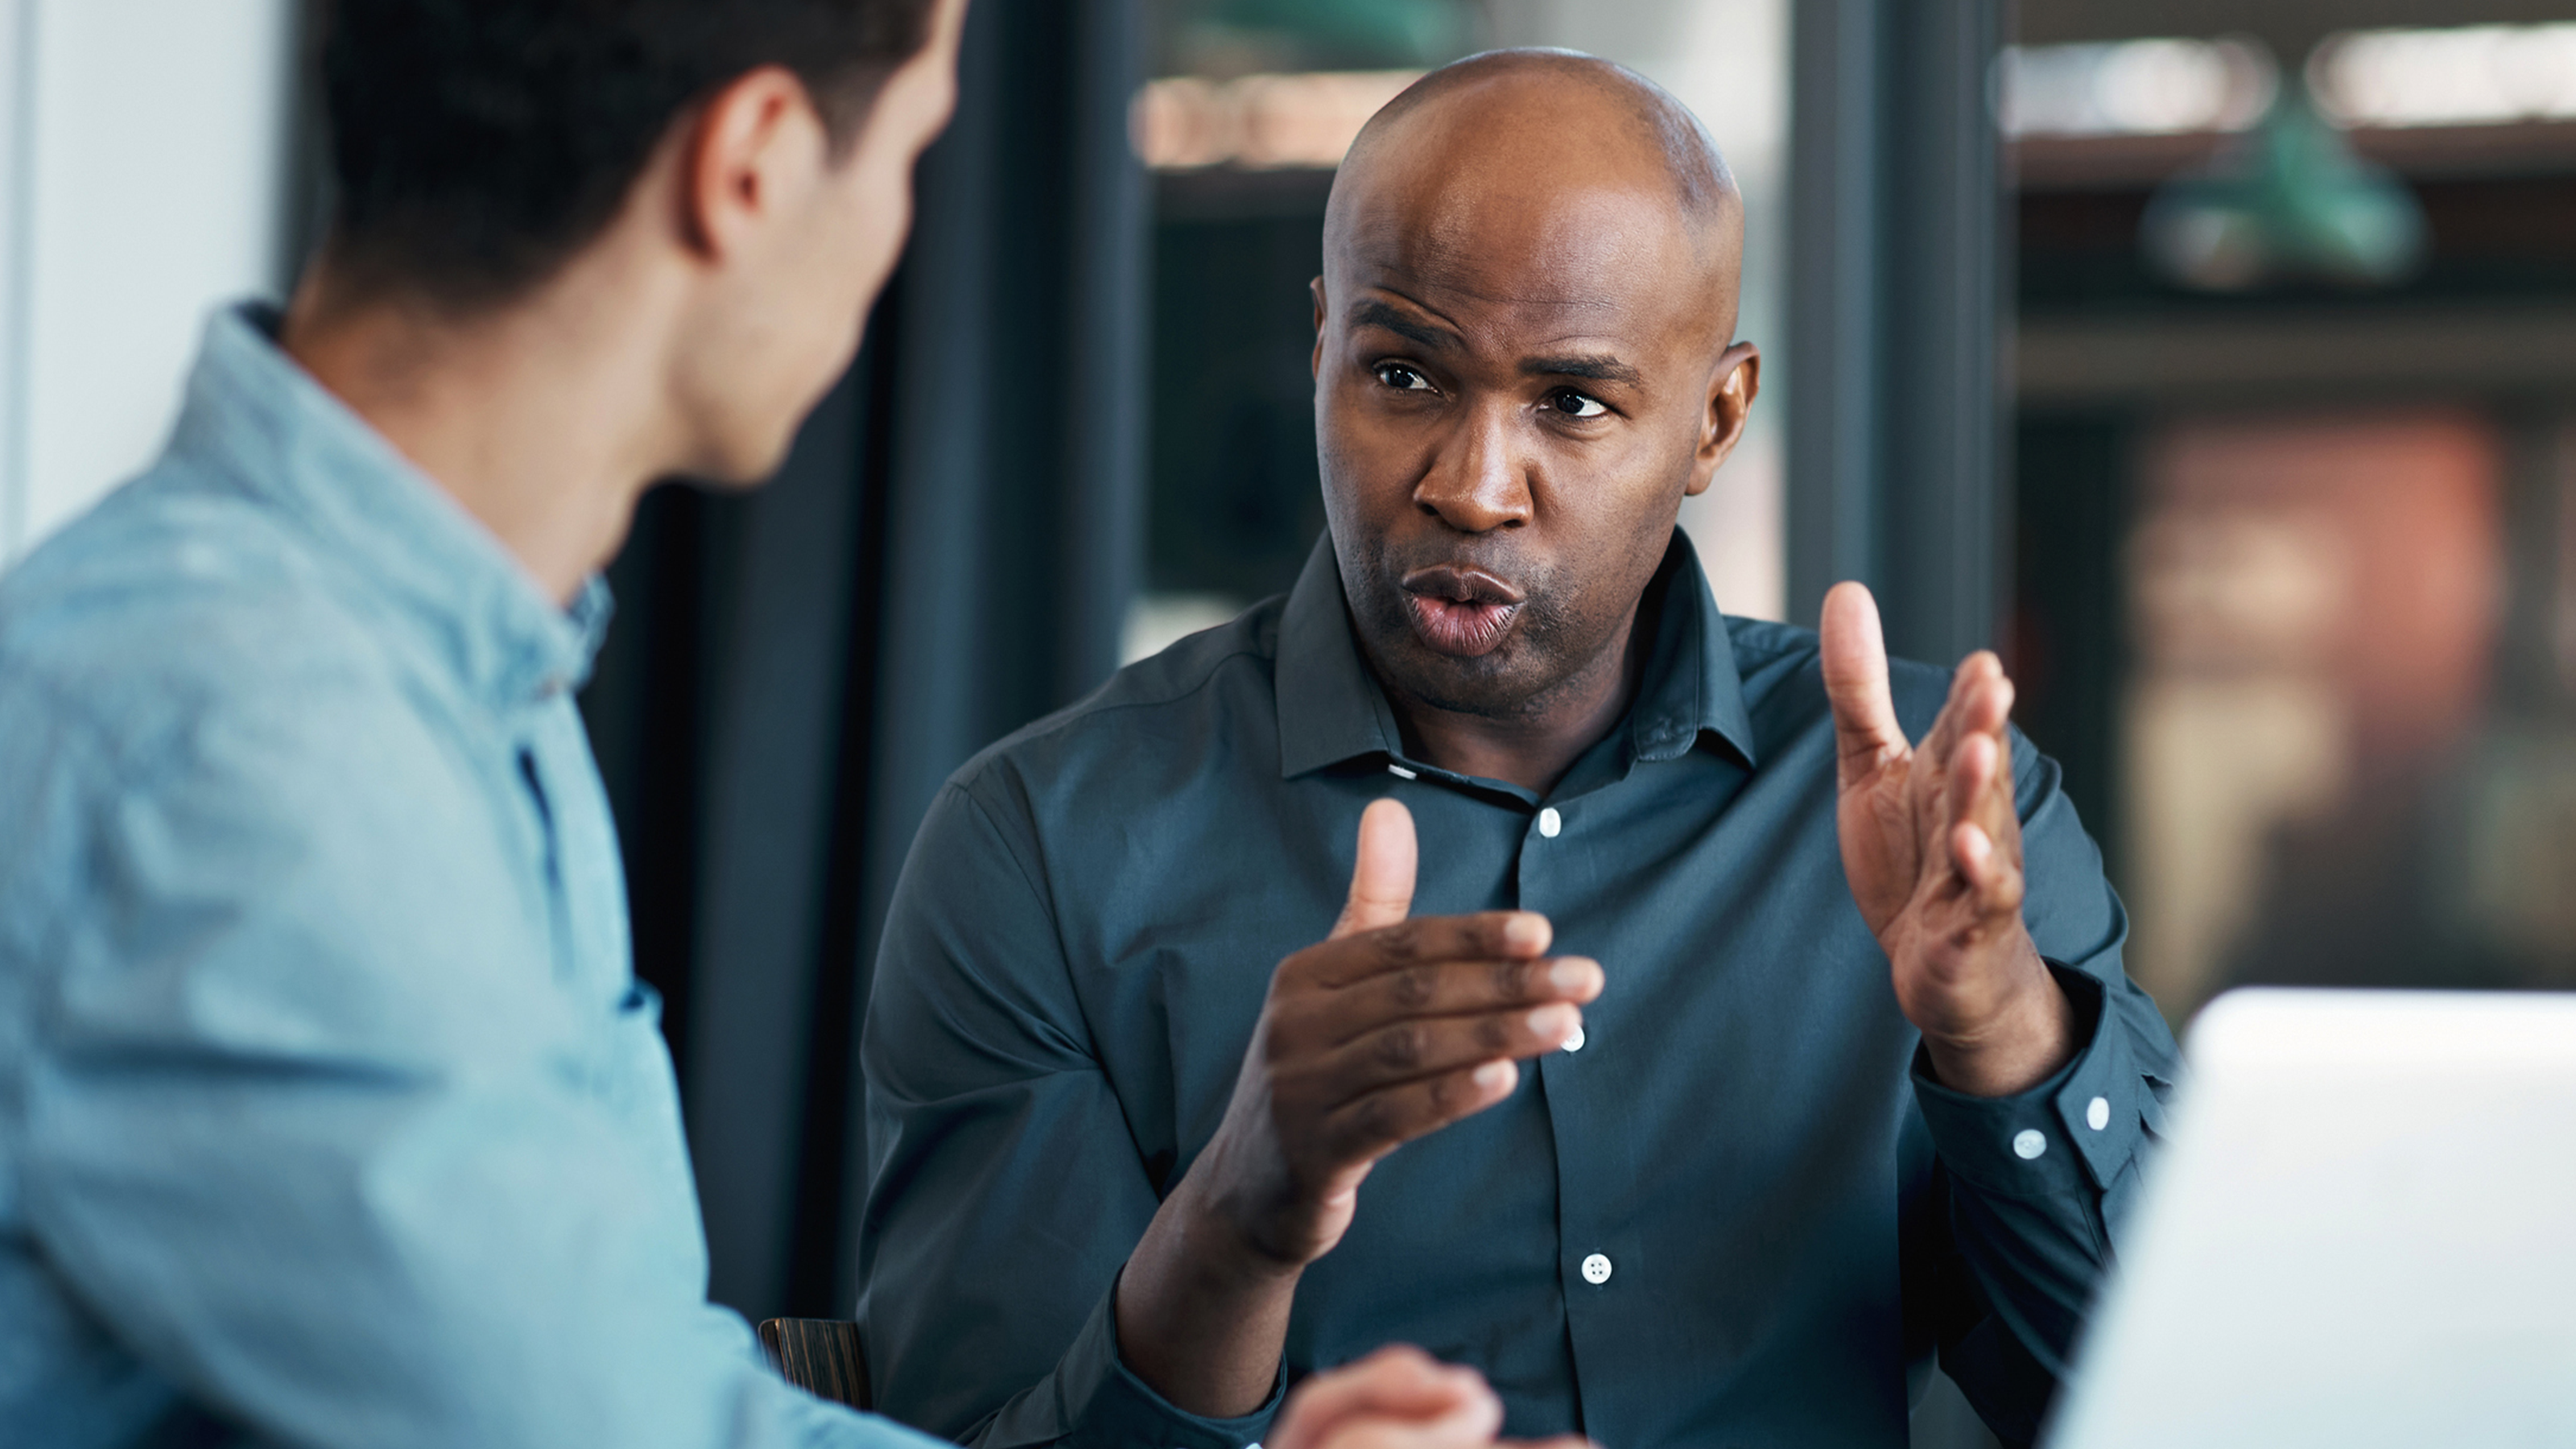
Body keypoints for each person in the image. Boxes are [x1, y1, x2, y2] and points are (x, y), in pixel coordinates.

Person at [0, 6, 1567, 1448]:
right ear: (749, 169)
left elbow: (626, 1381)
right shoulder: (238, 743)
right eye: (903, 151)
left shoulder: (446, 674)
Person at [857, 49, 2181, 1449]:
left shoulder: (1942, 817)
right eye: (1406, 373)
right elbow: (978, 1432)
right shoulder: (1046, 847)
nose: (1472, 486)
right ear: (1322, 350)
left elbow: (2158, 1405)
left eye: (1575, 403)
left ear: (1714, 421)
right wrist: (1239, 1214)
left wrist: (2000, 1032)